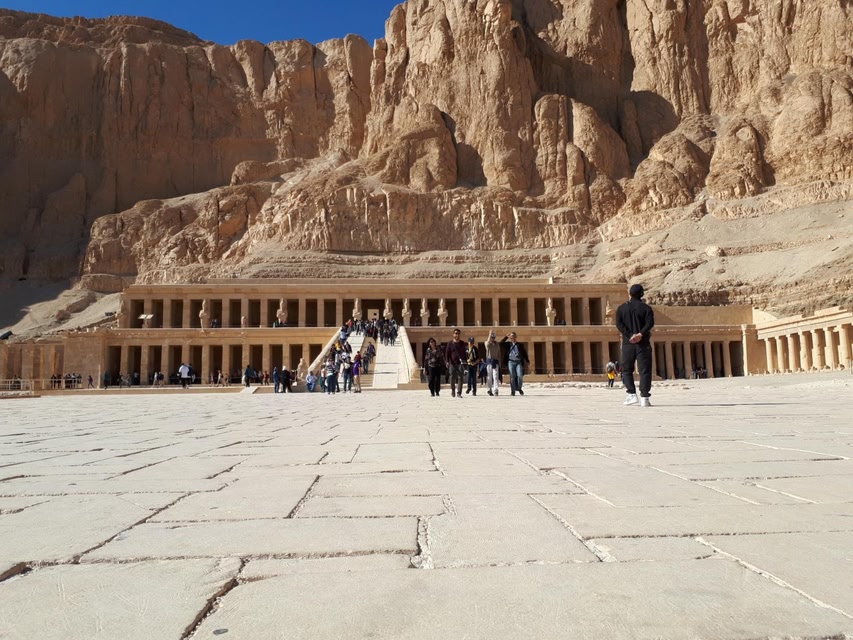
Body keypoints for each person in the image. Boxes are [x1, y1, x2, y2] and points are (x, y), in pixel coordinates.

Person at [616, 283, 655, 407]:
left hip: (628, 343)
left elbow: (619, 324)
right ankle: (645, 397)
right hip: (643, 343)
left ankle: (631, 394)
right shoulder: (646, 308)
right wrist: (640, 334)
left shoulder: (621, 308)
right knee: (645, 370)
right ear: (642, 294)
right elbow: (650, 323)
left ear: (630, 294)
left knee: (627, 370)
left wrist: (630, 335)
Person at [501, 331, 530, 396]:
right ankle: (513, 391)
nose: (512, 338)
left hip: (518, 362)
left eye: (513, 337)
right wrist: (506, 337)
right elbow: (501, 343)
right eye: (511, 337)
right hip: (511, 362)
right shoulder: (508, 344)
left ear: (516, 337)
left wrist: (527, 360)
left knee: (520, 375)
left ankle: (519, 388)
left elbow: (524, 353)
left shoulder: (519, 345)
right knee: (512, 377)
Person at [444, 328, 468, 398]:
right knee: (452, 377)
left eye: (458, 333)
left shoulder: (462, 343)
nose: (457, 335)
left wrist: (465, 361)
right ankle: (453, 390)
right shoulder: (450, 343)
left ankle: (459, 392)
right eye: (455, 333)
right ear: (453, 334)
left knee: (460, 377)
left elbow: (464, 353)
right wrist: (447, 361)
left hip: (460, 363)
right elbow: (447, 353)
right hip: (452, 363)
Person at [483, 331, 501, 396]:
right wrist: (489, 334)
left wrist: (500, 363)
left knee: (495, 376)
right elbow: (487, 345)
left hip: (495, 361)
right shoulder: (487, 343)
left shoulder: (497, 344)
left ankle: (496, 389)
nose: (492, 338)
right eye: (491, 337)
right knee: (489, 376)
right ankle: (489, 389)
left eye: (493, 337)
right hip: (489, 361)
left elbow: (499, 354)